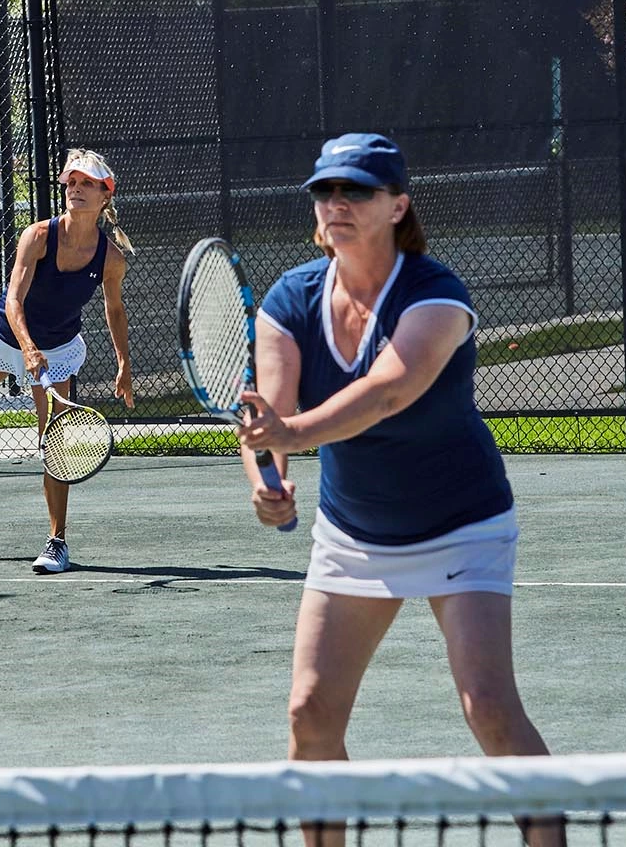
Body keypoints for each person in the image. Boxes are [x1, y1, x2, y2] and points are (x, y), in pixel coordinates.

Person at [234, 132, 560, 847]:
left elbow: (387, 392)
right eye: (325, 190)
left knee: (490, 709)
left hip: (462, 526)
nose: (337, 204)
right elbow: (271, 416)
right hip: (353, 534)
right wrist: (270, 481)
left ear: (397, 206)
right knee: (310, 715)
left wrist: (289, 438)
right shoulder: (290, 300)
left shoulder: (437, 296)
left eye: (357, 191)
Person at [0, 148, 136, 575]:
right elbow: (14, 299)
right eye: (71, 182)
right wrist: (27, 348)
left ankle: (57, 542)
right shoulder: (37, 236)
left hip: (58, 349)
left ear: (104, 197)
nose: (76, 189)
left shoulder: (110, 259)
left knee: (54, 446)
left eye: (87, 184)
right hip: (6, 333)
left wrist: (124, 363)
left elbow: (115, 310)